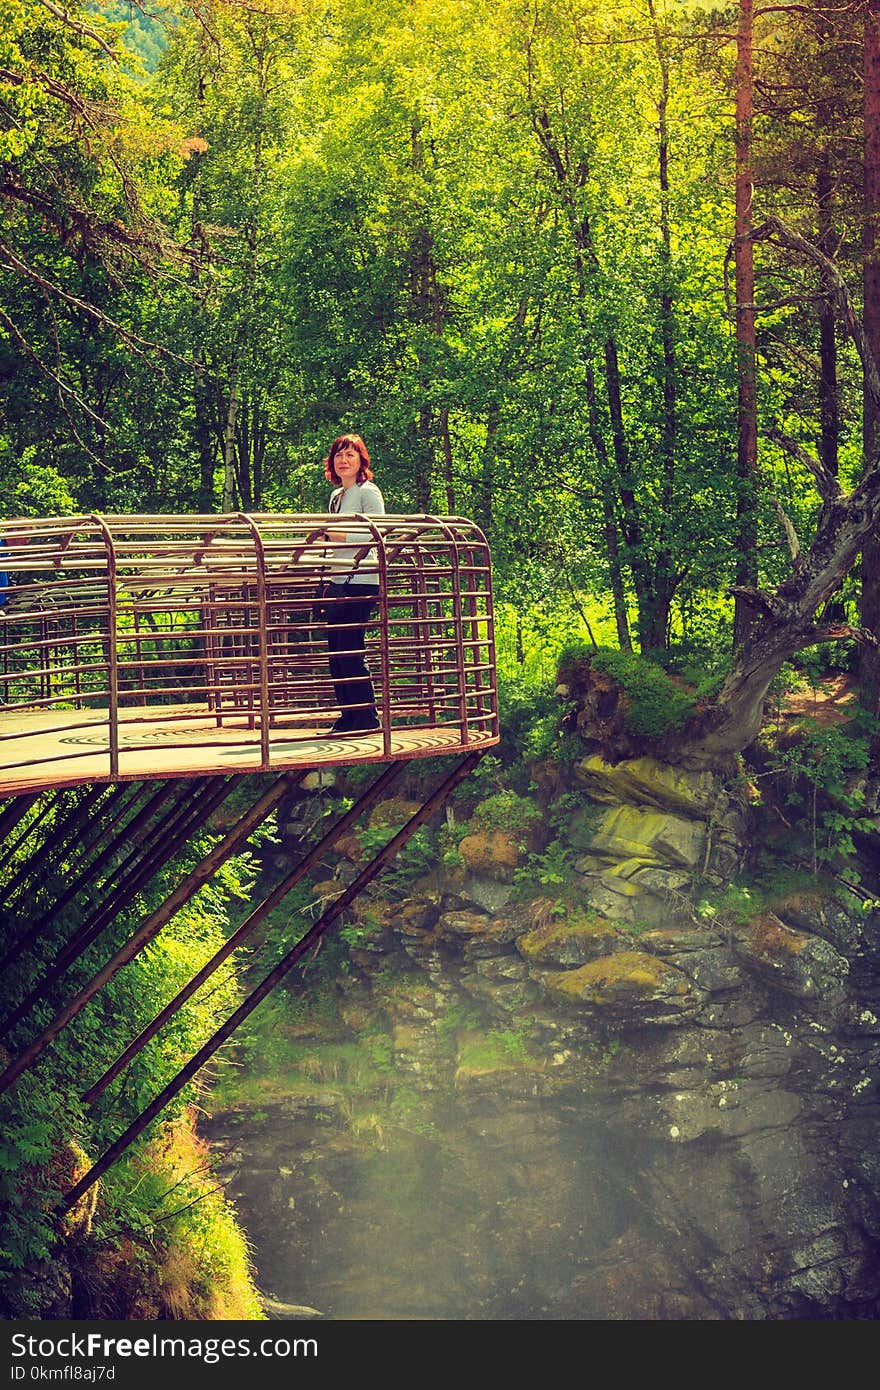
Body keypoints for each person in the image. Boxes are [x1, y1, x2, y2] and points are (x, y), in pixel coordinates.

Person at [321, 434, 385, 733]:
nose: (344, 460)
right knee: (336, 651)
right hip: (338, 578)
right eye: (339, 455)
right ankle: (348, 716)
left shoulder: (368, 491)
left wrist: (336, 535)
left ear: (361, 460)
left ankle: (367, 717)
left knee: (350, 648)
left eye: (350, 455)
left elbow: (377, 532)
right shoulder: (336, 497)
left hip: (361, 579)